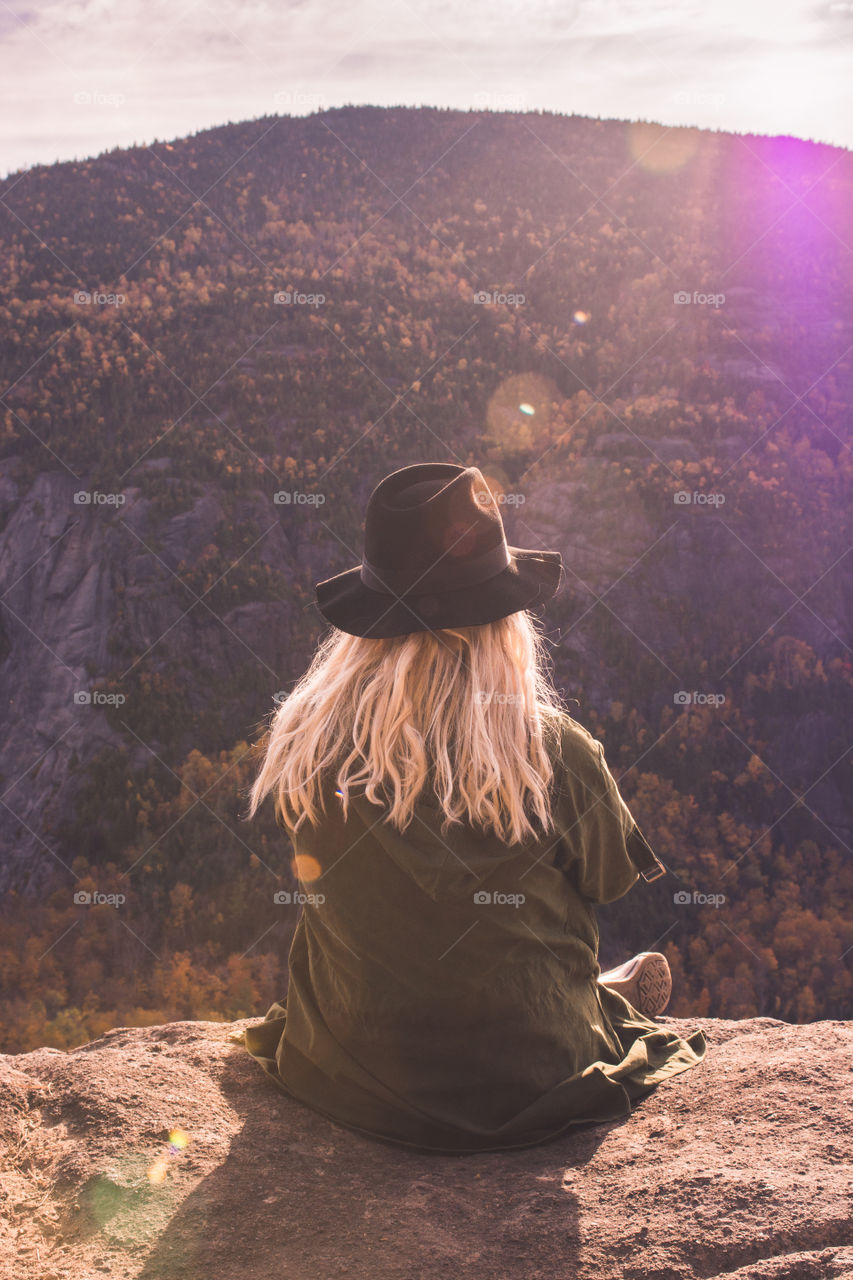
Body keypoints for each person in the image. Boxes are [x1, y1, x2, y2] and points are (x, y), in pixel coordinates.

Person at [240, 462, 707, 1154]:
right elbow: (607, 881)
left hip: (352, 1073)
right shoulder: (548, 752)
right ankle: (592, 999)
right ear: (502, 623)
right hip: (527, 1078)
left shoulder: (306, 742)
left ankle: (592, 994)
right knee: (544, 968)